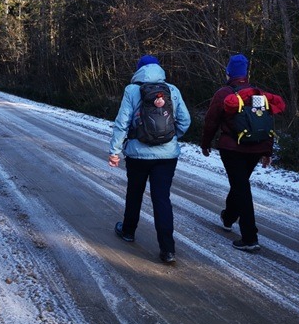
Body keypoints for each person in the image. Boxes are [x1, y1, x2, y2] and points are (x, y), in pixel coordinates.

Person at [109, 55, 191, 264]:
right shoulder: (171, 90)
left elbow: (122, 122)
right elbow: (185, 120)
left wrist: (115, 151)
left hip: (138, 154)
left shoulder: (132, 90)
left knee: (134, 193)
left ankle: (128, 231)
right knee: (161, 198)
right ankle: (168, 250)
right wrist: (170, 138)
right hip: (167, 155)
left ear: (139, 70)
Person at [201, 53, 285, 252]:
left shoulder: (224, 94)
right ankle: (229, 217)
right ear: (245, 74)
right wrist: (267, 150)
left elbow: (211, 121)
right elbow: (264, 122)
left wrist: (205, 143)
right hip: (256, 148)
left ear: (229, 72)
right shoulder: (257, 95)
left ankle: (250, 237)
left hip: (232, 149)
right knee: (240, 185)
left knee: (241, 188)